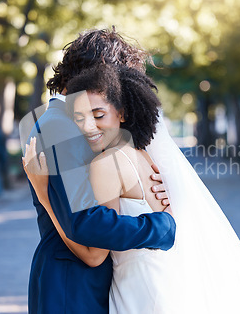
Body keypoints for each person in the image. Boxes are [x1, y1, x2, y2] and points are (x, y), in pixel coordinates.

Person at [26, 62, 240, 313]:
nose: (89, 127)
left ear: (121, 113)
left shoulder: (106, 163)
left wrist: (44, 194)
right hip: (166, 280)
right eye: (79, 119)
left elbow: (94, 255)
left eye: (98, 115)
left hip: (138, 290)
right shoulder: (145, 156)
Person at [20, 28, 176, 314]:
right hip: (72, 287)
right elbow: (88, 231)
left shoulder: (73, 123)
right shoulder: (61, 127)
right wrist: (159, 226)